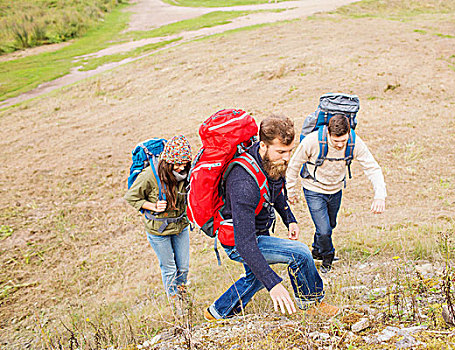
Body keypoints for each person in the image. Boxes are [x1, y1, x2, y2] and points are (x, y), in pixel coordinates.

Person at [205, 115, 339, 320]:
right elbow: (245, 244)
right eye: (281, 151)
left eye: (290, 151)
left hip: (254, 232)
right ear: (263, 146)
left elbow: (274, 189)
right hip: (238, 240)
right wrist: (274, 284)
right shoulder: (242, 182)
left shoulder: (271, 162)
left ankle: (217, 312)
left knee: (255, 278)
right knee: (300, 253)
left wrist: (289, 219)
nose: (287, 158)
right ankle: (312, 303)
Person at [286, 114, 386, 273]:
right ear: (328, 133)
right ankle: (328, 257)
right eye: (335, 141)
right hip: (314, 189)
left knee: (330, 225)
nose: (340, 145)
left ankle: (317, 250)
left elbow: (372, 168)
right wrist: (290, 191)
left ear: (348, 134)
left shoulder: (354, 143)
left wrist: (379, 196)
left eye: (343, 140)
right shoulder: (312, 141)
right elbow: (294, 165)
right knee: (324, 229)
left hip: (336, 189)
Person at [124, 135, 192, 313]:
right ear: (167, 161)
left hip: (180, 227)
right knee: (169, 268)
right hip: (158, 231)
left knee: (183, 267)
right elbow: (132, 197)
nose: (181, 167)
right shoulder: (150, 176)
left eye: (184, 162)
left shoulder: (187, 174)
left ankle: (183, 295)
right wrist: (152, 206)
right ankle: (175, 305)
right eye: (177, 163)